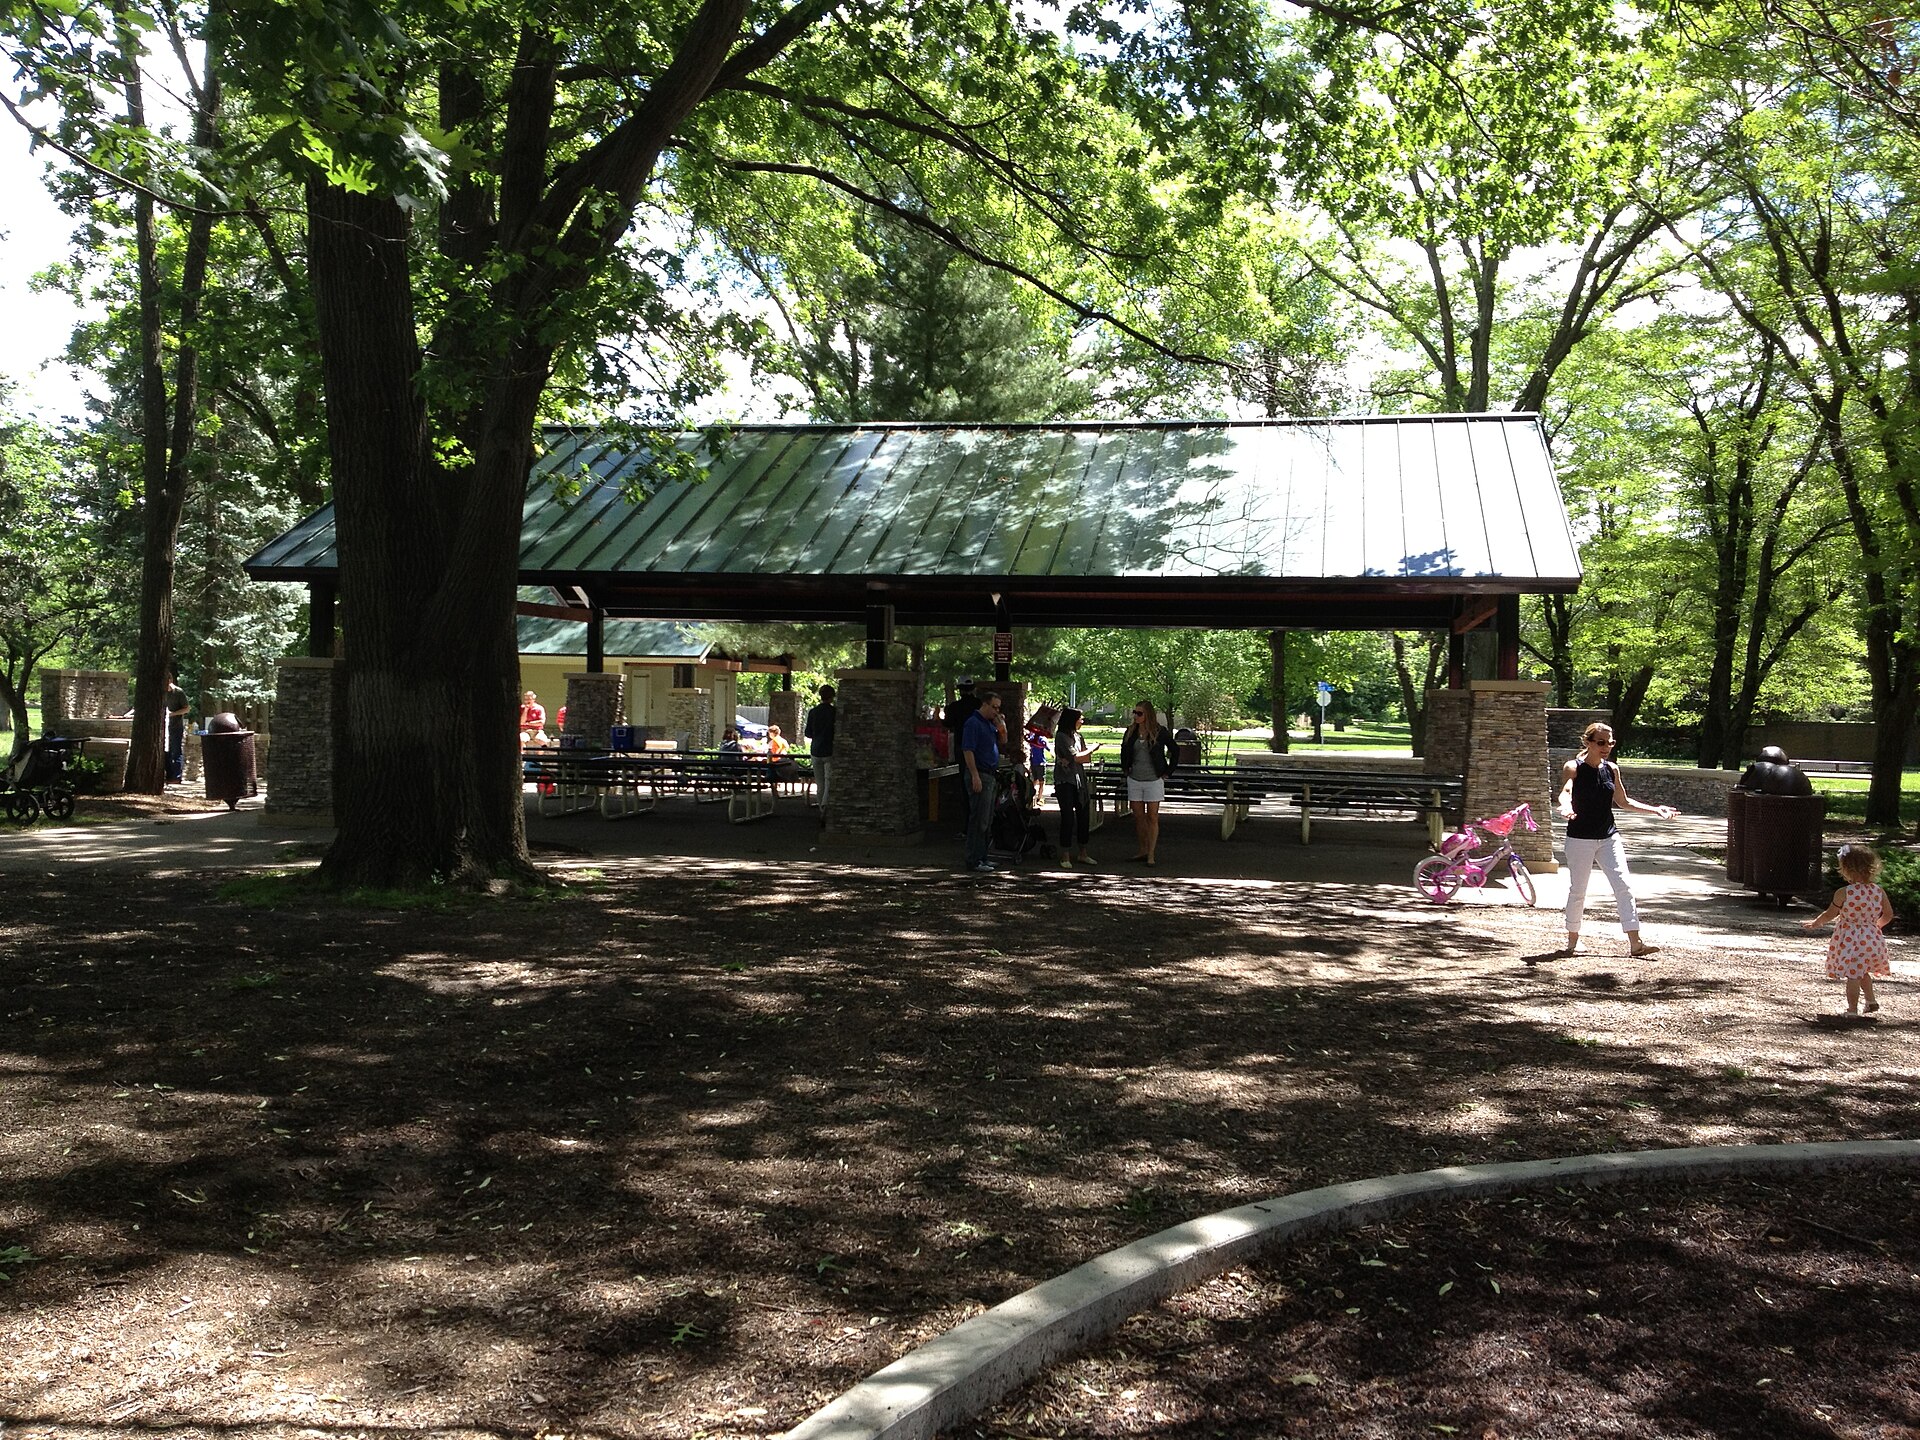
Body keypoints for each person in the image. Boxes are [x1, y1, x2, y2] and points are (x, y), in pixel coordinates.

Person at [1557, 721, 1677, 956]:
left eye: (1610, 743)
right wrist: (1565, 806)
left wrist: (1655, 810)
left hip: (1609, 837)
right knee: (1578, 890)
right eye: (1601, 742)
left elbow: (1623, 801)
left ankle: (1635, 943)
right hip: (1580, 839)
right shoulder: (1573, 767)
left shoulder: (1612, 769)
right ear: (1588, 742)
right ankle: (1573, 941)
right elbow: (1566, 791)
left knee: (1624, 886)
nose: (1606, 747)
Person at [1803, 843, 1892, 1015]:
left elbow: (1830, 913)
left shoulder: (1844, 892)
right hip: (1872, 938)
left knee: (1853, 975)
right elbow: (1888, 915)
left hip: (1851, 940)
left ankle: (1852, 1010)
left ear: (1847, 868)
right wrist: (1876, 927)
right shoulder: (1878, 891)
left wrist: (1816, 923)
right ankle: (1871, 1001)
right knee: (1861, 971)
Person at [1121, 698, 1174, 865]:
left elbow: (1175, 750)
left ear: (1148, 715)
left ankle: (1151, 853)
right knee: (1138, 816)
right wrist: (1125, 768)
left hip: (1154, 779)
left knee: (1152, 816)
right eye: (1134, 712)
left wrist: (1167, 771)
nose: (1136, 716)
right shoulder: (1131, 731)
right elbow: (1124, 750)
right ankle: (1142, 849)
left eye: (1139, 713)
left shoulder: (1159, 731)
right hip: (1135, 778)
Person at [961, 689, 1005, 873]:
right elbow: (968, 750)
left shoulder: (990, 724)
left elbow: (1003, 741)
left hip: (991, 774)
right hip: (980, 774)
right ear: (985, 704)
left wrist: (1002, 727)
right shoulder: (973, 723)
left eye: (998, 708)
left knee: (987, 820)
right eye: (994, 707)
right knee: (978, 820)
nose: (996, 711)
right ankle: (973, 859)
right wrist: (974, 775)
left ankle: (983, 856)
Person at [1052, 707, 1097, 868]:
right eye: (1080, 718)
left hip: (1079, 780)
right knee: (1068, 817)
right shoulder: (1061, 736)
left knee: (1083, 815)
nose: (1082, 721)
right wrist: (1092, 748)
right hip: (1065, 781)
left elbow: (1085, 758)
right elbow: (1077, 757)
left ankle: (1083, 853)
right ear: (1072, 719)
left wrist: (1080, 756)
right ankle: (1065, 855)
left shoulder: (1078, 736)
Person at [804, 685, 836, 810]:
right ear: (832, 697)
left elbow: (808, 733)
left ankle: (821, 809)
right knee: (828, 781)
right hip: (829, 750)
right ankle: (825, 805)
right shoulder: (834, 712)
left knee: (820, 783)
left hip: (815, 750)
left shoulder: (813, 712)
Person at [164, 672, 190, 783]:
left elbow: (186, 708)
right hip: (164, 727)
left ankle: (177, 776)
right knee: (166, 751)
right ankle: (169, 775)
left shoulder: (178, 692)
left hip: (175, 726)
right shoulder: (161, 692)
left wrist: (172, 714)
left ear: (170, 680)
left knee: (176, 750)